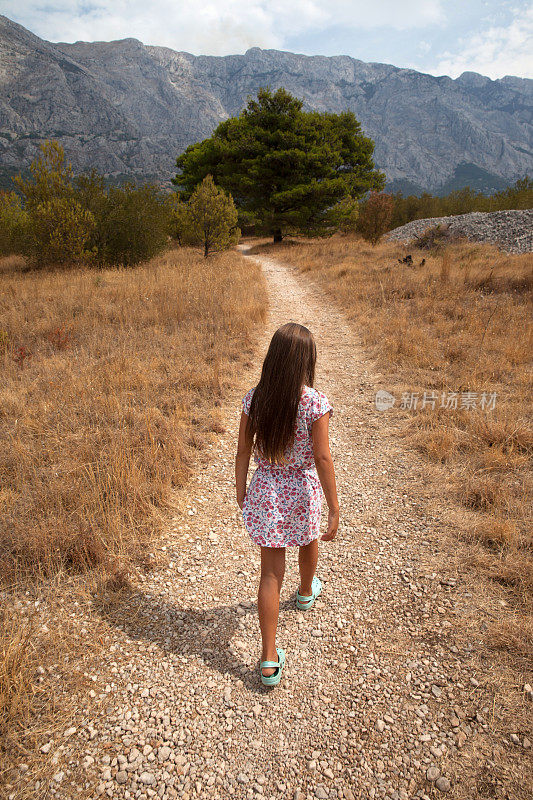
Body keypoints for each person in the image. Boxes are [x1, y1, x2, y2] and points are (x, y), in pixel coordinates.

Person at [235, 322, 339, 686]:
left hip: (267, 488)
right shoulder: (315, 403)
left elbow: (244, 449)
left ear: (273, 358)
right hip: (303, 488)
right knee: (309, 540)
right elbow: (322, 458)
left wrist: (241, 491)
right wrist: (334, 507)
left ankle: (267, 659)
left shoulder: (254, 398)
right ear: (305, 362)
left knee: (269, 574)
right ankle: (306, 592)